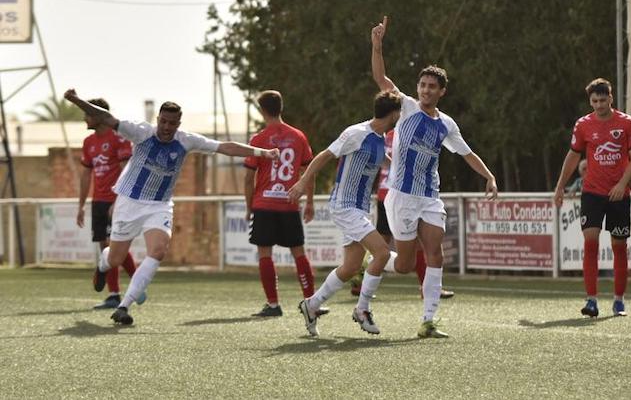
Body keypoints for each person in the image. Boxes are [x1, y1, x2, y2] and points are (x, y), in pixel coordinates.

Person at [64, 88, 281, 325]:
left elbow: (225, 146)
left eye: (172, 123)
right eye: (164, 122)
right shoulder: (141, 132)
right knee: (115, 258)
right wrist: (76, 101)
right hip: (129, 201)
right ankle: (103, 264)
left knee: (158, 250)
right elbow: (105, 117)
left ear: (179, 123)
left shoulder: (186, 140)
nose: (167, 127)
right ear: (157, 119)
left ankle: (124, 306)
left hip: (159, 205)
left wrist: (263, 153)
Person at [371, 16, 498, 338]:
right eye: (422, 85)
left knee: (435, 253)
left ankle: (428, 321)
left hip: (429, 196)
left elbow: (467, 152)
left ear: (441, 91)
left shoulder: (447, 124)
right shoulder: (408, 107)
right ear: (418, 89)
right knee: (403, 265)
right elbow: (380, 77)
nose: (426, 90)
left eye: (432, 86)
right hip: (400, 195)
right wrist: (377, 44)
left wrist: (489, 176)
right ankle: (373, 262)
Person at [289, 90, 402, 337]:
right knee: (381, 252)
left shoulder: (379, 137)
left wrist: (402, 170)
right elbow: (324, 156)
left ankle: (311, 305)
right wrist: (301, 183)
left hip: (359, 207)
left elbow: (383, 160)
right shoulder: (356, 133)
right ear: (393, 113)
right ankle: (362, 309)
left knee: (351, 266)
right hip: (344, 205)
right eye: (400, 112)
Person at [553, 78, 631, 318]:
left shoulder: (627, 123)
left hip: (619, 194)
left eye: (603, 100)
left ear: (611, 98)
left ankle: (619, 300)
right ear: (590, 101)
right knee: (590, 242)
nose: (599, 105)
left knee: (619, 246)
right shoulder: (583, 125)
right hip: (592, 192)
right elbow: (573, 156)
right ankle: (591, 300)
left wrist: (622, 184)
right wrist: (560, 186)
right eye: (594, 101)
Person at [244, 90, 324, 318]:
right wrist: (309, 201)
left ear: (262, 110)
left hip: (264, 203)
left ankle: (273, 304)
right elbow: (308, 172)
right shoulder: (298, 136)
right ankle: (312, 302)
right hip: (289, 203)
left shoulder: (258, 139)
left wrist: (249, 206)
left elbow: (249, 177)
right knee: (298, 251)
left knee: (265, 253)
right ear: (281, 107)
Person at [349, 128, 455, 300]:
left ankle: (359, 281)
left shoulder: (386, 136)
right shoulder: (409, 135)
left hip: (385, 194)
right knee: (409, 244)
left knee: (382, 243)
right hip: (401, 196)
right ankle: (423, 287)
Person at [76, 98, 137, 309]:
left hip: (116, 200)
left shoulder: (118, 138)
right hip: (99, 201)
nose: (84, 117)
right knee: (105, 246)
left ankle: (137, 283)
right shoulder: (88, 142)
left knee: (114, 245)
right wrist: (81, 205)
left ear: (99, 115)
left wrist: (119, 200)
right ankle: (115, 294)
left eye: (87, 113)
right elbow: (85, 175)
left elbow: (126, 172)